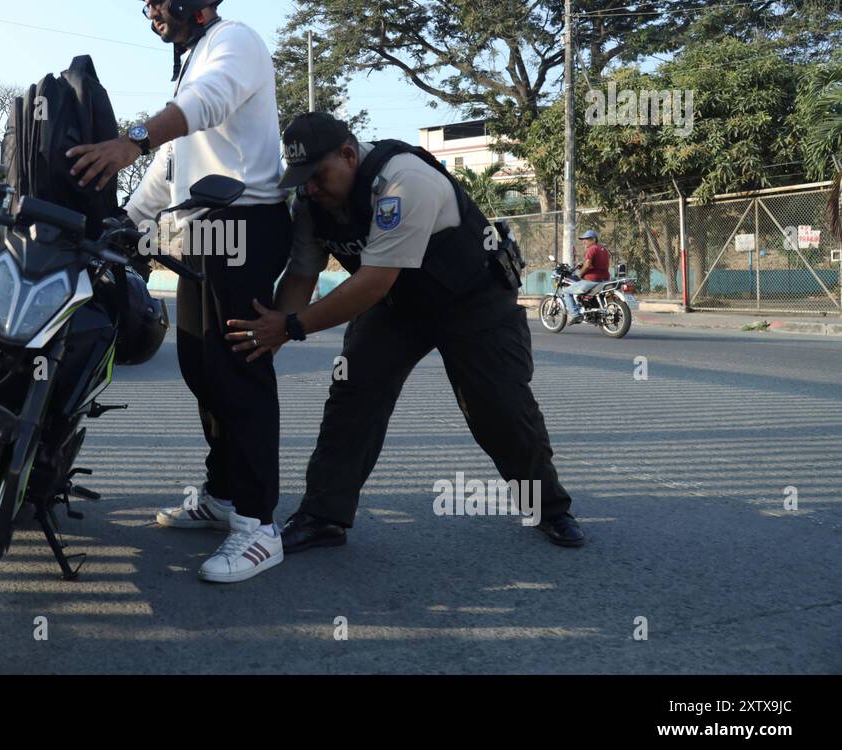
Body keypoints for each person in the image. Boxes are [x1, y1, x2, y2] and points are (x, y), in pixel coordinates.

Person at [225, 112, 585, 552]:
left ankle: (549, 509)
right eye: (302, 178)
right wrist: (270, 339)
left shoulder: (402, 181)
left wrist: (293, 327)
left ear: (349, 154)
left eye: (319, 175)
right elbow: (301, 276)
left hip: (473, 301)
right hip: (397, 307)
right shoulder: (310, 203)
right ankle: (323, 516)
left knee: (500, 408)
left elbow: (374, 278)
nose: (311, 188)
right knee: (353, 394)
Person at [66, 0, 293, 583]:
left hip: (245, 223)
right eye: (143, 4)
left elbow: (209, 103)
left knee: (238, 373)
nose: (150, 11)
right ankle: (223, 494)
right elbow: (173, 163)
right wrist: (127, 227)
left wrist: (132, 137)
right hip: (201, 228)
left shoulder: (234, 42)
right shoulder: (190, 64)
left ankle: (258, 525)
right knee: (200, 367)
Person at [564, 230, 610, 323]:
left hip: (592, 281)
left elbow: (588, 265)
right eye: (583, 239)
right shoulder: (604, 249)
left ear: (593, 240)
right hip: (604, 279)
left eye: (586, 239)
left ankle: (575, 314)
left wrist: (581, 274)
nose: (584, 241)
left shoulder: (592, 249)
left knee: (566, 291)